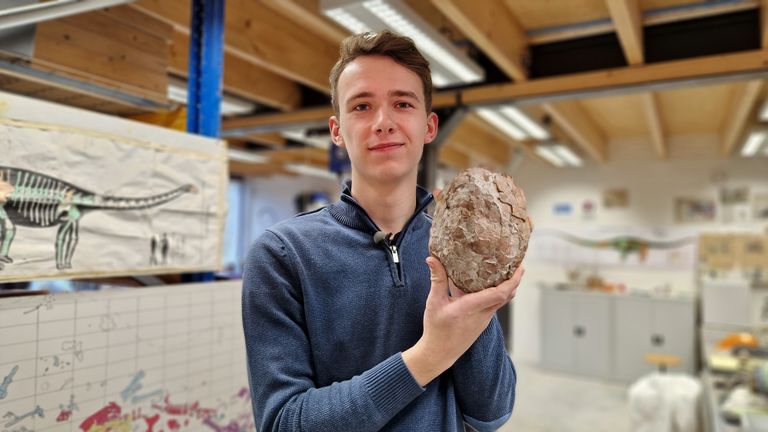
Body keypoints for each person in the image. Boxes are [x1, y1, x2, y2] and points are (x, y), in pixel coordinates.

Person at [242, 30, 524, 431]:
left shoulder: (456, 250)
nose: (383, 122)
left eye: (402, 103)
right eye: (361, 106)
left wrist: (476, 295)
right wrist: (428, 355)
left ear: (429, 127)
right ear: (337, 131)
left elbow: (492, 413)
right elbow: (284, 422)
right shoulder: (283, 255)